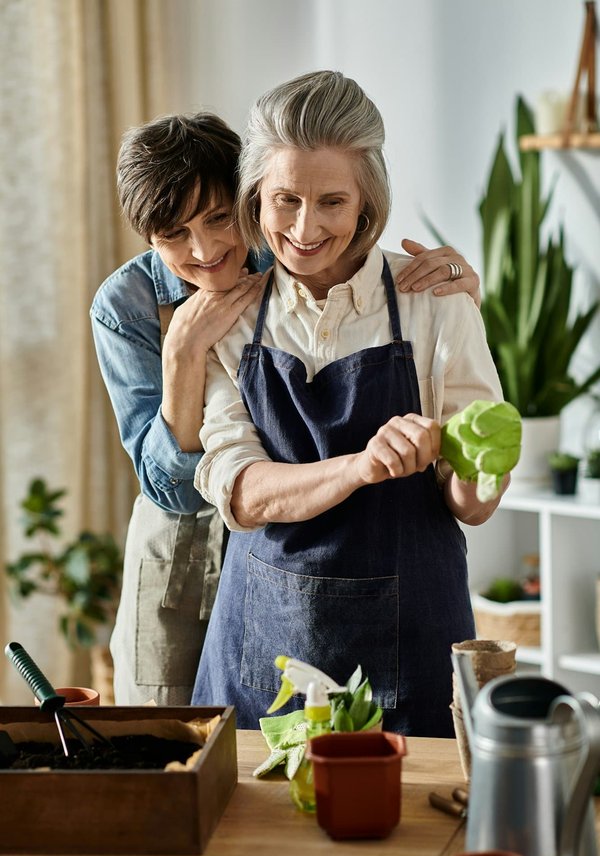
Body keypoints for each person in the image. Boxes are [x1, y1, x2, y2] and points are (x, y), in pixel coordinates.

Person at [91, 110, 482, 707]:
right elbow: (172, 491)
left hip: (296, 547)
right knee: (167, 732)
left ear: (248, 198)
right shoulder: (127, 304)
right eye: (174, 235)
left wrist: (461, 299)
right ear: (148, 238)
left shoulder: (290, 251)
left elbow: (356, 257)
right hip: (182, 550)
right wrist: (183, 354)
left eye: (218, 218)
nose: (205, 250)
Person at [191, 72, 508, 736]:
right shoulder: (230, 318)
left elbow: (471, 505)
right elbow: (240, 492)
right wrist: (361, 466)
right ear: (256, 196)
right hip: (261, 644)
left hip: (414, 639)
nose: (305, 228)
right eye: (285, 200)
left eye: (332, 201)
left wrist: (486, 466)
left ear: (367, 202)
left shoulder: (434, 302)